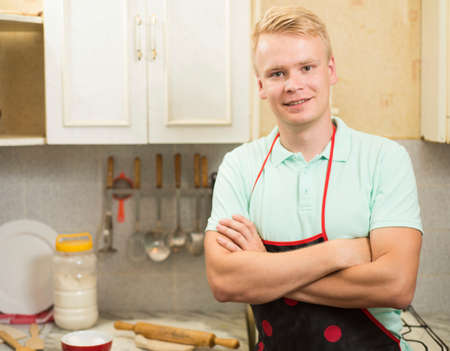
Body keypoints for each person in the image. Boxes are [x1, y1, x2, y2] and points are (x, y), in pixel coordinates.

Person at [204, 5, 423, 351]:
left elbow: (396, 285)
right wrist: (341, 253)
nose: (294, 85)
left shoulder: (384, 159)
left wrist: (264, 270)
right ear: (260, 85)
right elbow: (224, 282)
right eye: (277, 73)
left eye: (307, 67)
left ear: (331, 70)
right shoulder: (239, 166)